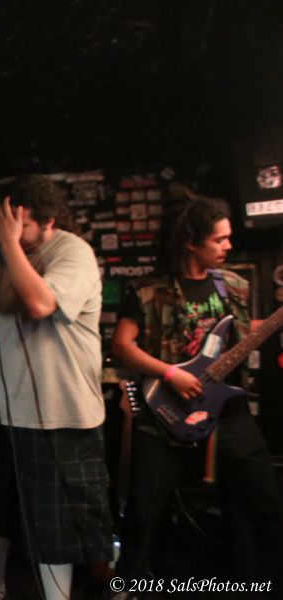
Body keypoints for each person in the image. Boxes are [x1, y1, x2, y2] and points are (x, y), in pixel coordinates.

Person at [111, 196, 283, 592]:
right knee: (144, 512)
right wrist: (170, 373)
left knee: (267, 503)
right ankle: (128, 587)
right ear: (191, 242)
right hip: (165, 411)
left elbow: (243, 334)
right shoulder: (149, 290)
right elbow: (122, 345)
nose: (228, 246)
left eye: (228, 238)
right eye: (219, 239)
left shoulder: (234, 286)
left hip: (227, 409)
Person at [0, 175, 113, 600]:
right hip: (7, 410)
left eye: (21, 224)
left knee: (58, 528)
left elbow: (40, 304)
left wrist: (9, 245)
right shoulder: (10, 255)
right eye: (6, 223)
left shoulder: (73, 252)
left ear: (49, 221)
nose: (11, 232)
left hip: (61, 413)